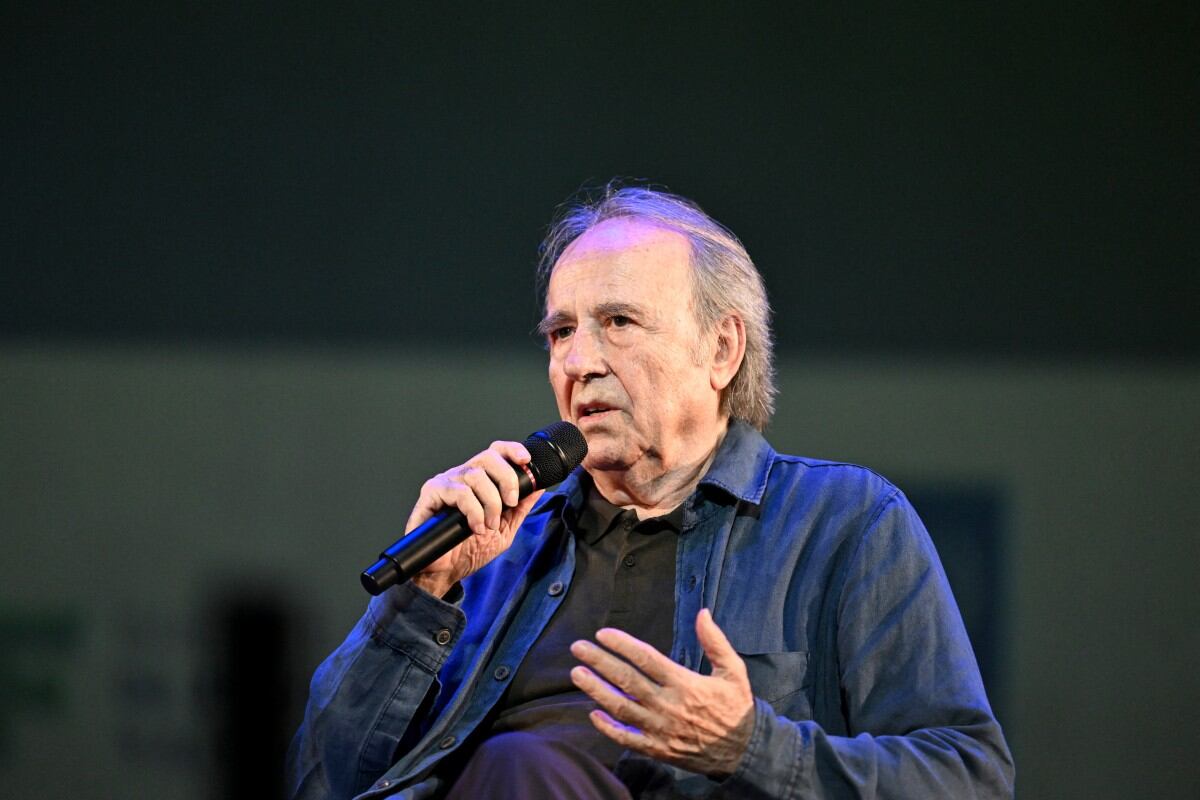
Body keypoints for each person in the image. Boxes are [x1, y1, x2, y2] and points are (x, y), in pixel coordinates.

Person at [287, 186, 1015, 799]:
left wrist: (748, 744)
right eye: (560, 332)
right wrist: (421, 595)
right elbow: (320, 782)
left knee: (518, 766)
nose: (579, 362)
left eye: (618, 323)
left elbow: (969, 779)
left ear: (722, 350)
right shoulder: (496, 550)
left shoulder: (846, 525)